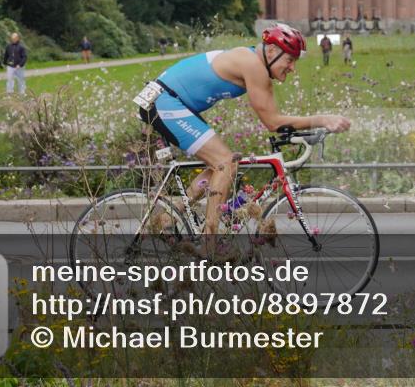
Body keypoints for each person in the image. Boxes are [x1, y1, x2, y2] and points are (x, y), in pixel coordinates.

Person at [137, 23, 350, 238]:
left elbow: (273, 118)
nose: (293, 67)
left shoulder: (253, 60)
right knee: (225, 163)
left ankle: (167, 218)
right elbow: (273, 122)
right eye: (290, 59)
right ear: (272, 51)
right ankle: (208, 246)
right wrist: (322, 119)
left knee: (225, 164)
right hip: (165, 102)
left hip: (169, 100)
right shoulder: (254, 65)